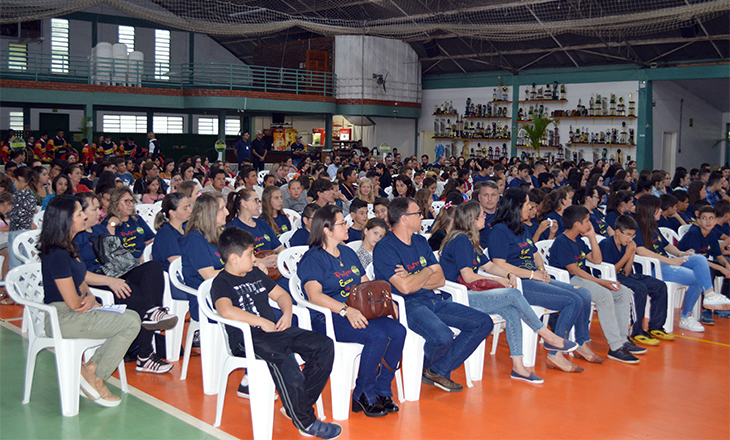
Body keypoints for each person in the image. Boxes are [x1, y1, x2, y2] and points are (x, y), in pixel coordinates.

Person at [212, 227, 340, 439]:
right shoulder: (222, 282)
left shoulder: (254, 274)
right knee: (283, 357)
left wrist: (287, 314)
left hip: (275, 331)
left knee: (323, 345)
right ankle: (305, 421)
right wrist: (262, 322)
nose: (254, 258)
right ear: (234, 258)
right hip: (247, 338)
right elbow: (226, 310)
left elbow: (281, 295)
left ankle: (297, 406)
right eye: (250, 254)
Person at [440, 202, 577, 383]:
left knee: (512, 311)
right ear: (471, 220)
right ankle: (547, 335)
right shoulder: (461, 241)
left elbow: (488, 265)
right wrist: (499, 281)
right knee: (513, 295)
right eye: (481, 215)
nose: (484, 218)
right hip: (458, 297)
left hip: (471, 292)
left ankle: (518, 367)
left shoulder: (471, 240)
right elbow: (468, 275)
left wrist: (509, 274)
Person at [373, 197, 493, 392]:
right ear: (404, 219)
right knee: (443, 337)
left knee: (482, 322)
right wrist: (427, 271)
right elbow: (404, 288)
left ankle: (435, 369)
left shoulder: (420, 241)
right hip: (407, 305)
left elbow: (441, 279)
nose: (422, 216)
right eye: (417, 214)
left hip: (432, 299)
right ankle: (424, 368)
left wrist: (416, 275)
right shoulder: (385, 248)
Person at [299, 205, 405, 416]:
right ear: (327, 230)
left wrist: (386, 302)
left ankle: (382, 389)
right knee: (376, 336)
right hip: (329, 317)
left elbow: (366, 284)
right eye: (342, 223)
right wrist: (346, 310)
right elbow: (315, 296)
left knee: (397, 331)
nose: (348, 226)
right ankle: (363, 393)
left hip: (358, 311)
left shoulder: (347, 252)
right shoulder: (313, 259)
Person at [38, 195, 141, 407]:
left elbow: (81, 279)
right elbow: (73, 302)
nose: (85, 216)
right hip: (62, 317)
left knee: (129, 317)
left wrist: (90, 296)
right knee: (131, 322)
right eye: (79, 214)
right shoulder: (56, 253)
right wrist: (85, 302)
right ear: (65, 220)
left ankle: (92, 368)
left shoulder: (68, 246)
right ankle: (98, 377)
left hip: (71, 312)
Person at [489, 189, 597, 372]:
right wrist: (531, 275)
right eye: (526, 204)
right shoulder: (499, 231)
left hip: (535, 278)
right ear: (515, 207)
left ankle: (580, 342)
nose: (530, 207)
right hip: (520, 284)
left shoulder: (521, 228)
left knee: (583, 293)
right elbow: (499, 265)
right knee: (573, 300)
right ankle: (556, 353)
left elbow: (535, 254)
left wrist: (542, 270)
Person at [74, 192, 176, 374]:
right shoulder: (75, 237)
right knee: (143, 301)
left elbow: (115, 255)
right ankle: (145, 355)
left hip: (115, 273)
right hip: (97, 282)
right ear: (79, 212)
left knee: (153, 268)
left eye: (99, 207)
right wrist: (111, 281)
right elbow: (79, 275)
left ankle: (153, 312)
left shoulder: (99, 230)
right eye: (94, 209)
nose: (99, 212)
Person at [548, 205, 642, 364]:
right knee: (605, 295)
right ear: (577, 224)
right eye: (586, 221)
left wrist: (591, 237)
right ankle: (615, 347)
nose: (590, 223)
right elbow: (574, 271)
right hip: (568, 281)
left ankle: (622, 339)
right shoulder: (562, 242)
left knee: (622, 292)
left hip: (582, 279)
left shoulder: (578, 240)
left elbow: (597, 260)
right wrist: (602, 282)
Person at [633, 195, 730, 332]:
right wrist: (670, 260)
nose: (661, 211)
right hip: (654, 267)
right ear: (649, 210)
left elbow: (667, 246)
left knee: (699, 259)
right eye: (658, 209)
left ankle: (709, 294)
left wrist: (680, 254)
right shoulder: (637, 227)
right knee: (697, 277)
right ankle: (686, 315)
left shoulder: (653, 226)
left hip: (667, 263)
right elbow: (641, 251)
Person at [600, 214, 674, 346]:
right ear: (617, 232)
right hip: (611, 279)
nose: (630, 239)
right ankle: (636, 330)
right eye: (628, 235)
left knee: (659, 286)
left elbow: (627, 272)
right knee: (639, 288)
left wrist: (631, 254)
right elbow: (611, 272)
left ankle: (656, 326)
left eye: (632, 236)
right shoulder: (606, 244)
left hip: (625, 276)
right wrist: (628, 254)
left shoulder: (626, 244)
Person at [180, 193, 228, 323]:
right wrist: (240, 270)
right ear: (210, 213)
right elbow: (209, 275)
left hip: (225, 290)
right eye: (222, 209)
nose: (227, 212)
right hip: (206, 299)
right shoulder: (195, 240)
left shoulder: (219, 233)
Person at [677, 206, 730, 324]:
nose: (708, 221)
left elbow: (719, 256)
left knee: (727, 266)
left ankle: (723, 305)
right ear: (699, 221)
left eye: (711, 218)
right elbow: (698, 260)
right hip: (686, 263)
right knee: (708, 271)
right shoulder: (694, 233)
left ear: (715, 221)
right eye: (704, 218)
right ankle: (706, 309)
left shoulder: (711, 235)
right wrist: (721, 268)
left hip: (703, 263)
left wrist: (726, 266)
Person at [226, 189, 282, 273]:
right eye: (255, 201)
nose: (259, 205)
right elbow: (235, 258)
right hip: (250, 272)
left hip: (274, 269)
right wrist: (260, 262)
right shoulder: (232, 228)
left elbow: (279, 247)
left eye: (259, 201)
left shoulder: (263, 224)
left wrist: (278, 257)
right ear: (244, 203)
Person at [151, 193, 192, 271]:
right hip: (174, 276)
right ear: (172, 213)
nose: (190, 211)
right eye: (185, 208)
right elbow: (177, 263)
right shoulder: (165, 234)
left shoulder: (187, 227)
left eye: (189, 206)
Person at [8, 166, 37, 271]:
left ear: (20, 179)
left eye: (14, 181)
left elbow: (15, 214)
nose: (14, 184)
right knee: (28, 262)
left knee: (15, 265)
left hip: (16, 232)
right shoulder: (32, 195)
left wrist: (7, 213)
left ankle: (15, 286)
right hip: (27, 233)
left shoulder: (17, 195)